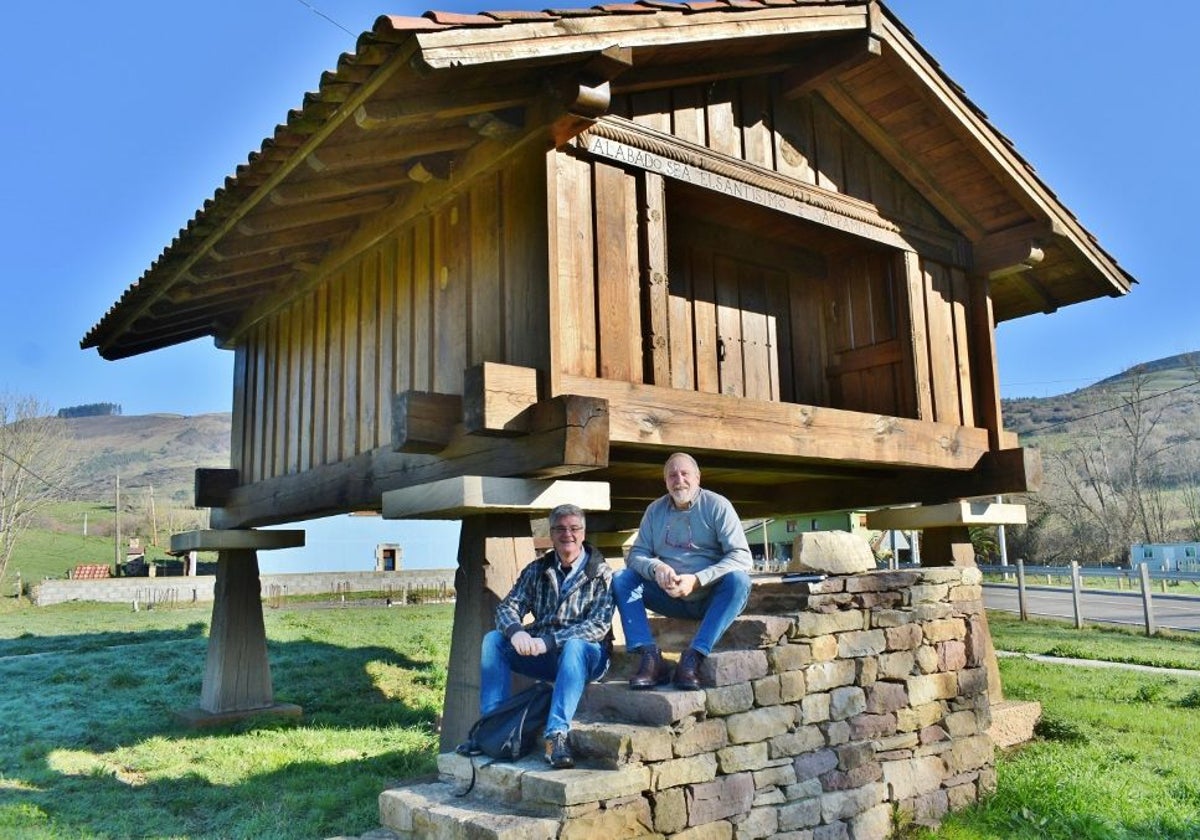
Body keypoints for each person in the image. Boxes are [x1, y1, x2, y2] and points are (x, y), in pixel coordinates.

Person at [458, 503, 615, 769]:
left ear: (583, 532)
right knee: (493, 641)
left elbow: (597, 626)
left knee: (576, 645)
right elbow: (509, 606)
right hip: (546, 655)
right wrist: (516, 631)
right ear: (552, 534)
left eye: (574, 528)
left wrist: (549, 642)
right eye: (560, 529)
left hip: (588, 656)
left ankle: (555, 736)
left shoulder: (601, 573)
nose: (568, 534)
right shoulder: (537, 570)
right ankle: (492, 728)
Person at [612, 452, 752, 691]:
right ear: (665, 481)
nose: (679, 480)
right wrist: (657, 568)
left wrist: (697, 580)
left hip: (710, 597)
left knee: (739, 581)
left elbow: (742, 556)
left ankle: (693, 656)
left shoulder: (717, 506)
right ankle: (649, 656)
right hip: (669, 596)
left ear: (698, 477)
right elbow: (636, 555)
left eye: (685, 473)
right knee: (621, 579)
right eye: (672, 475)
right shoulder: (654, 511)